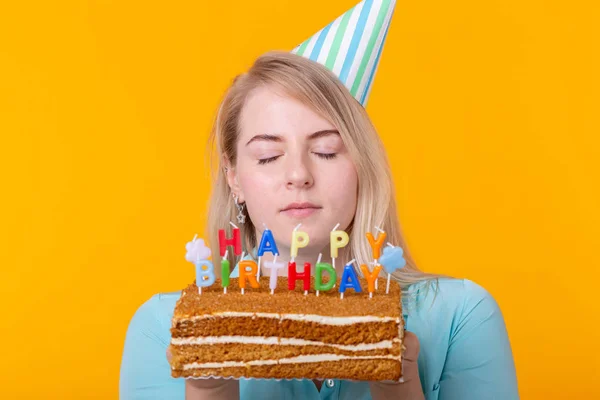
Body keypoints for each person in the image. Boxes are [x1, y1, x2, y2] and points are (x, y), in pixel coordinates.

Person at [120, 1, 518, 398]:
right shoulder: (163, 327)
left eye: (327, 150)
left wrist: (395, 380)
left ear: (362, 164)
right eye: (268, 156)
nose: (299, 175)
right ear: (233, 177)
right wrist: (208, 388)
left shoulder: (461, 315)